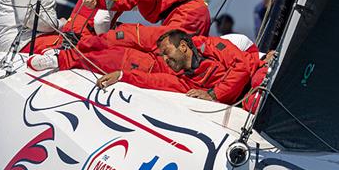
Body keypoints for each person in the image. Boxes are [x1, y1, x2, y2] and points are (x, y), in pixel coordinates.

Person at [95, 29, 252, 104]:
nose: (165, 59)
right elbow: (153, 81)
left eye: (166, 52)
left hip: (256, 80)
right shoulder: (183, 81)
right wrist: (122, 75)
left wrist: (213, 94)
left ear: (183, 46)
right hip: (240, 106)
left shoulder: (212, 46)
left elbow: (242, 68)